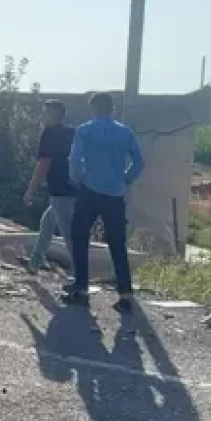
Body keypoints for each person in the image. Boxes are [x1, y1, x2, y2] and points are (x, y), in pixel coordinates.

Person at [64, 92, 145, 312]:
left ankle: (81, 289)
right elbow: (138, 162)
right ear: (112, 109)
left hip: (89, 191)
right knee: (117, 244)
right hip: (115, 194)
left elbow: (74, 159)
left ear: (94, 109)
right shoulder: (125, 132)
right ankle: (125, 295)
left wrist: (79, 179)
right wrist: (125, 179)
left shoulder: (85, 130)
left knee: (80, 238)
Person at [22, 100, 76, 272]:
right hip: (75, 188)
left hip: (60, 190)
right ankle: (35, 262)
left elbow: (43, 164)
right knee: (47, 221)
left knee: (68, 234)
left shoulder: (50, 134)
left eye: (45, 112)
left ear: (54, 114)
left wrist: (31, 191)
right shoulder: (72, 132)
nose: (42, 116)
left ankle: (79, 275)